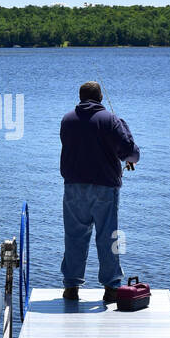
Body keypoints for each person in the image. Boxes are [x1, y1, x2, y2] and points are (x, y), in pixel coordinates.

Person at [60, 81, 140, 303]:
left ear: (80, 97)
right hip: (105, 188)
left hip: (73, 187)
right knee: (108, 237)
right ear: (101, 98)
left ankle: (71, 286)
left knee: (75, 237)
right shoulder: (110, 120)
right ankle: (112, 287)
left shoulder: (67, 120)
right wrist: (122, 127)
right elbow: (129, 153)